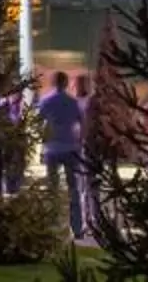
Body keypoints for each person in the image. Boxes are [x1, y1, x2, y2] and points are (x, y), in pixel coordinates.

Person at [37, 68, 89, 236]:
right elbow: (83, 124)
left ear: (53, 83)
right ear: (66, 83)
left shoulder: (46, 101)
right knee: (73, 188)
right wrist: (80, 142)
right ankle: (77, 227)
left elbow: (38, 122)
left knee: (52, 188)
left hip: (52, 149)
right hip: (71, 148)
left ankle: (52, 224)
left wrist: (42, 142)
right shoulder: (73, 102)